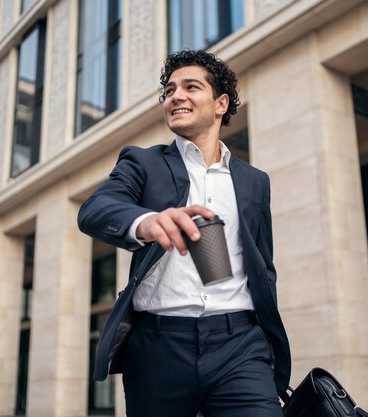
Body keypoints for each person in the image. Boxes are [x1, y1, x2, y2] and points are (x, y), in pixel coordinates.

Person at [78, 49, 291, 416]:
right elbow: (95, 210)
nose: (175, 96)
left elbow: (262, 263)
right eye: (170, 90)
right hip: (159, 347)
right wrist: (145, 222)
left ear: (220, 103)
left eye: (190, 87)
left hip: (239, 344)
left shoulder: (254, 181)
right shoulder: (143, 162)